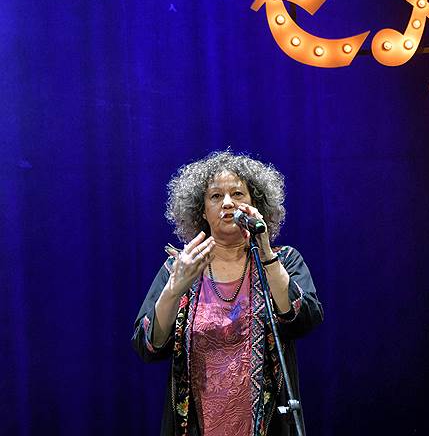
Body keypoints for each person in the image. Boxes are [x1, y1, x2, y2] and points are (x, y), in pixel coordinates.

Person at [132, 150, 323, 436]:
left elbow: (304, 321)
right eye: (215, 196)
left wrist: (266, 254)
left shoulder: (284, 260)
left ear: (255, 205)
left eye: (238, 194)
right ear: (202, 211)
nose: (228, 203)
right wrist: (174, 289)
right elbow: (148, 346)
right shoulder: (180, 267)